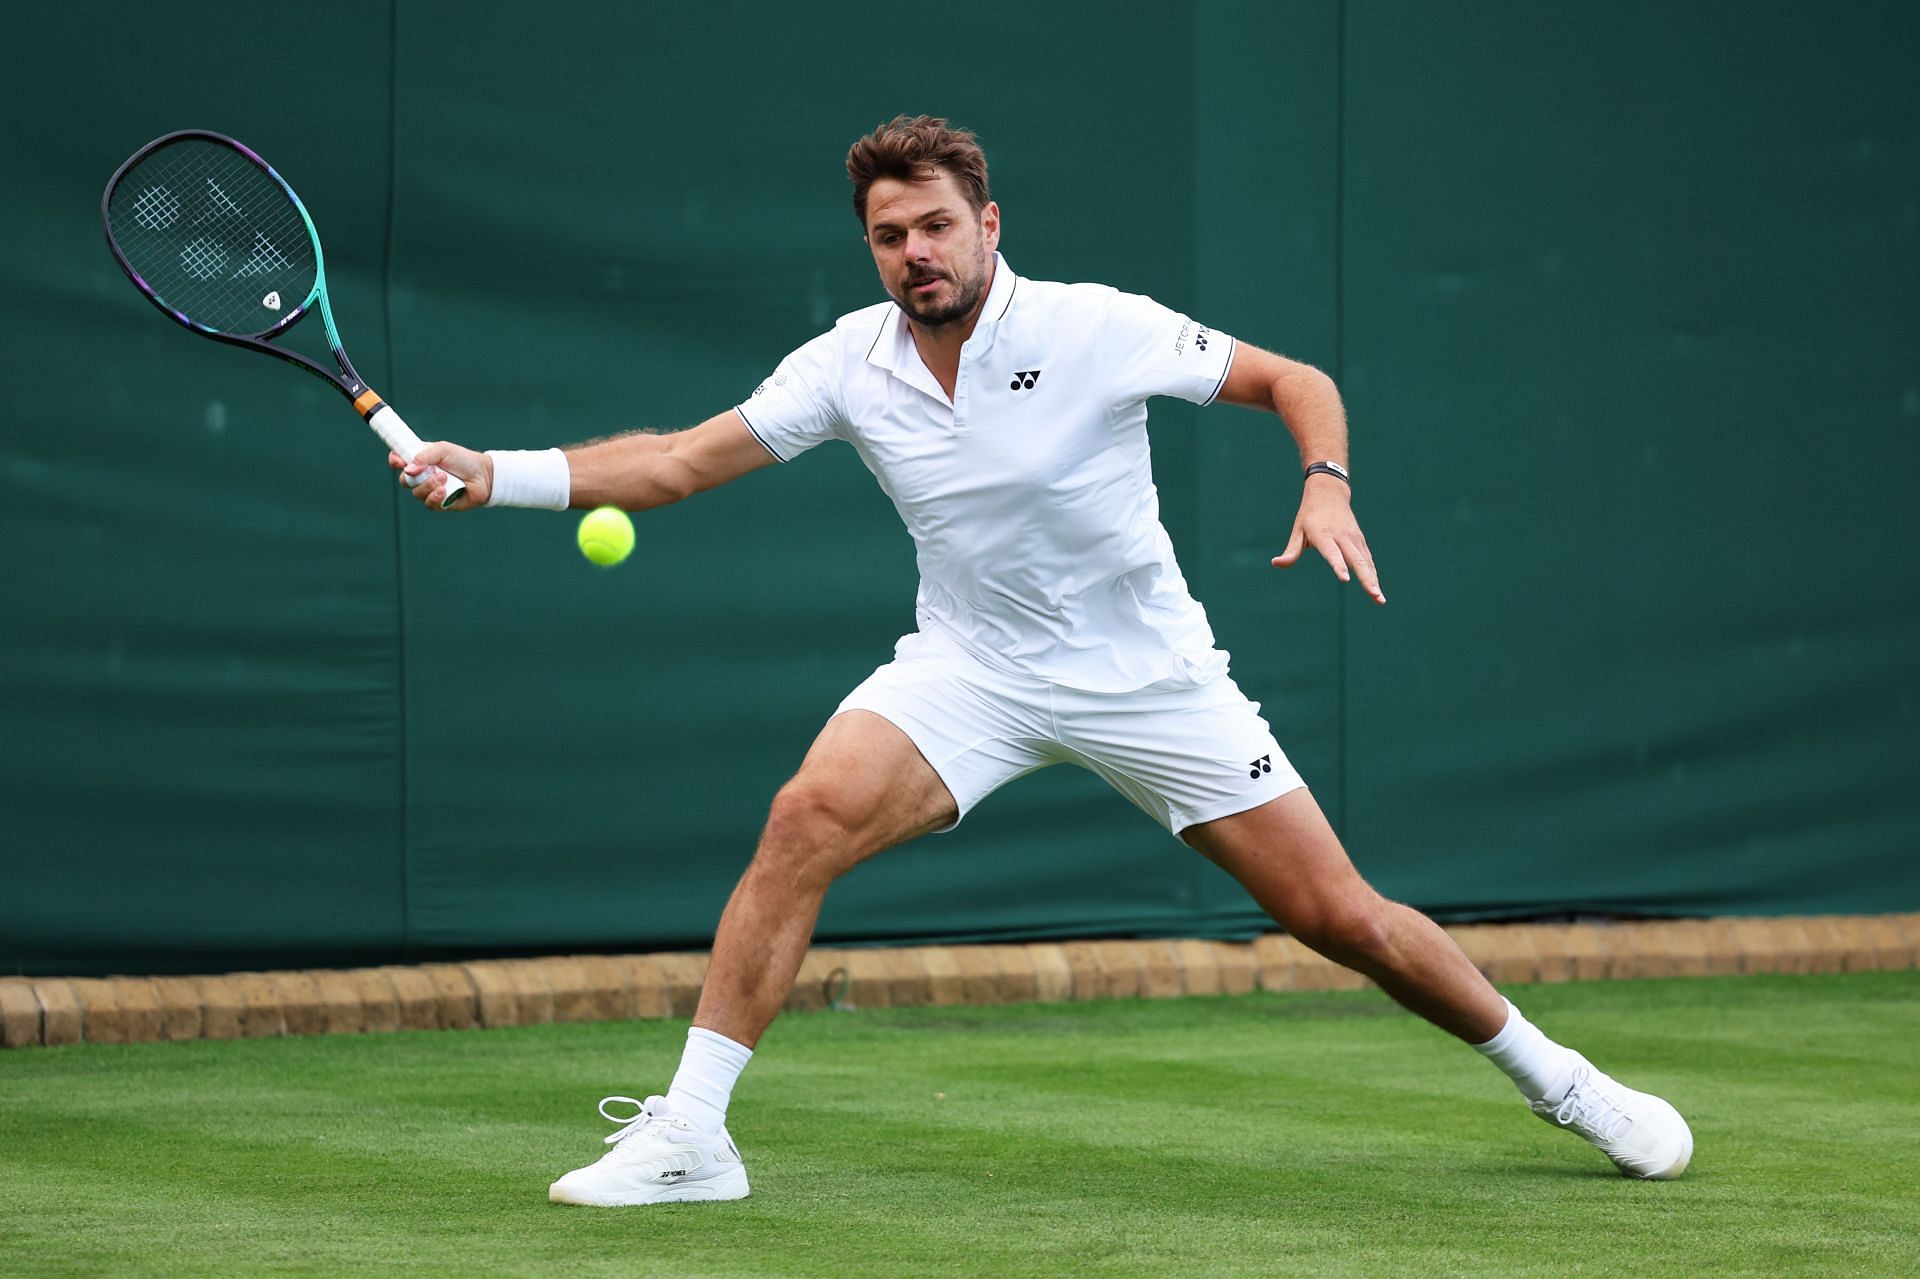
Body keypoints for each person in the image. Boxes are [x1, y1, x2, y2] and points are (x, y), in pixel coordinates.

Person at [394, 115, 1692, 1206]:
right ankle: (693, 1135)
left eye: (936, 227)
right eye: (891, 236)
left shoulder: (1095, 327)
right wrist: (492, 472)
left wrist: (1328, 483)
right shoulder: (849, 363)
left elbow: (1292, 378)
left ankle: (1559, 1079)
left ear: (988, 224)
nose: (915, 254)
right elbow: (677, 461)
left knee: (1338, 917)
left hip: (1150, 679)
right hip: (970, 670)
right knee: (805, 818)